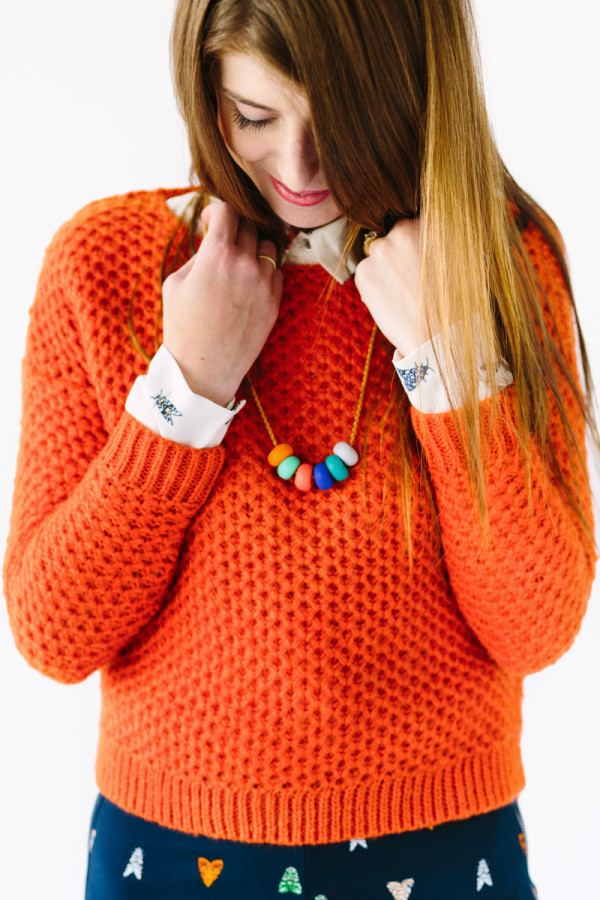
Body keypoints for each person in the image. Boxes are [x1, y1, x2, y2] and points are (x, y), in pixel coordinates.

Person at [3, 0, 597, 897]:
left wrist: (449, 360)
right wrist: (185, 388)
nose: (299, 168)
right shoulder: (105, 264)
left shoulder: (501, 262)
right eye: (254, 117)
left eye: (341, 118)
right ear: (207, 93)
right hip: (168, 850)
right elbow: (54, 633)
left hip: (446, 843)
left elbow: (536, 626)